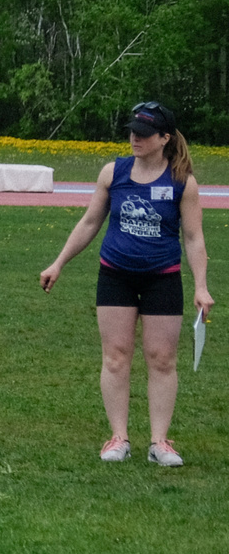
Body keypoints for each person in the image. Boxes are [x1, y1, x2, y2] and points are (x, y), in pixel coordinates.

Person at [39, 102, 213, 467]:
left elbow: (194, 238)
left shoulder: (183, 181)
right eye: (132, 131)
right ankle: (118, 438)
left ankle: (159, 442)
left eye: (144, 133)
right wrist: (59, 262)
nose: (135, 137)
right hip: (115, 274)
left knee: (161, 359)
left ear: (164, 138)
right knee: (116, 357)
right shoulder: (113, 172)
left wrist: (201, 285)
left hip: (162, 278)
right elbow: (90, 222)